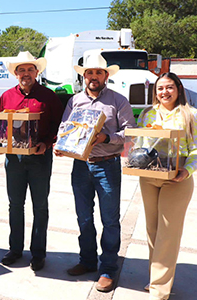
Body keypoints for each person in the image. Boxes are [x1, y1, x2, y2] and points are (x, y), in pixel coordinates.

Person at [54, 53, 136, 292]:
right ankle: (87, 261)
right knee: (84, 217)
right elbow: (64, 127)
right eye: (89, 73)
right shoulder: (75, 101)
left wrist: (107, 137)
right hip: (80, 165)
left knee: (109, 219)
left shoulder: (118, 101)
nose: (93, 76)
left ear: (106, 76)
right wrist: (61, 144)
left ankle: (108, 268)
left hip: (107, 165)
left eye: (98, 72)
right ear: (84, 76)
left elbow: (130, 131)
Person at [0, 51, 63, 271]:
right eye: (21, 70)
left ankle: (38, 253)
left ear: (37, 72)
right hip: (14, 160)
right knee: (15, 205)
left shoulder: (49, 96)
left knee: (40, 206)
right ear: (16, 73)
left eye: (30, 69)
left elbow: (59, 126)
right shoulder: (6, 97)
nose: (25, 73)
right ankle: (15, 249)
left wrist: (47, 143)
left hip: (40, 158)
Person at [137, 73, 197, 300]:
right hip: (149, 177)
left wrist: (187, 170)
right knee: (152, 231)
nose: (164, 92)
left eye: (169, 87)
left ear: (178, 88)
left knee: (168, 234)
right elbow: (140, 144)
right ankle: (156, 279)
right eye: (160, 88)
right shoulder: (147, 114)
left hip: (177, 180)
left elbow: (195, 149)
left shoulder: (190, 115)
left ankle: (159, 291)